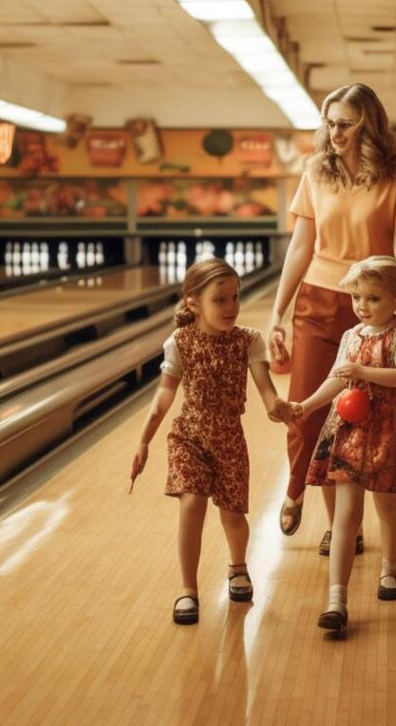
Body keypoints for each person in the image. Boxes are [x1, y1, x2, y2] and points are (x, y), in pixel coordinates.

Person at [269, 84, 396, 557]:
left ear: (368, 124)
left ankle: (344, 526)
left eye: (344, 123)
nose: (333, 132)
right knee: (306, 408)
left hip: (375, 305)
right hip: (318, 300)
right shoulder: (316, 171)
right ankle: (297, 487)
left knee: (364, 420)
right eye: (328, 122)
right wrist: (278, 310)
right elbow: (301, 244)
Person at [129, 259, 297, 625]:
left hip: (229, 439)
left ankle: (238, 567)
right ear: (193, 303)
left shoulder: (249, 341)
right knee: (192, 504)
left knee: (233, 515)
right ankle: (188, 590)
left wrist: (281, 408)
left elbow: (268, 394)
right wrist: (144, 441)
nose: (231, 307)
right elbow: (163, 399)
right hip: (188, 436)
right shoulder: (179, 342)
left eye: (235, 297)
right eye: (220, 300)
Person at [296, 256, 396, 632]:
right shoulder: (349, 337)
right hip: (350, 429)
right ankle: (336, 600)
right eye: (357, 297)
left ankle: (390, 568)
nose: (362, 306)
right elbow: (336, 380)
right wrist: (306, 406)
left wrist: (361, 372)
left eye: (373, 298)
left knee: (387, 507)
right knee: (346, 516)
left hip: (389, 427)